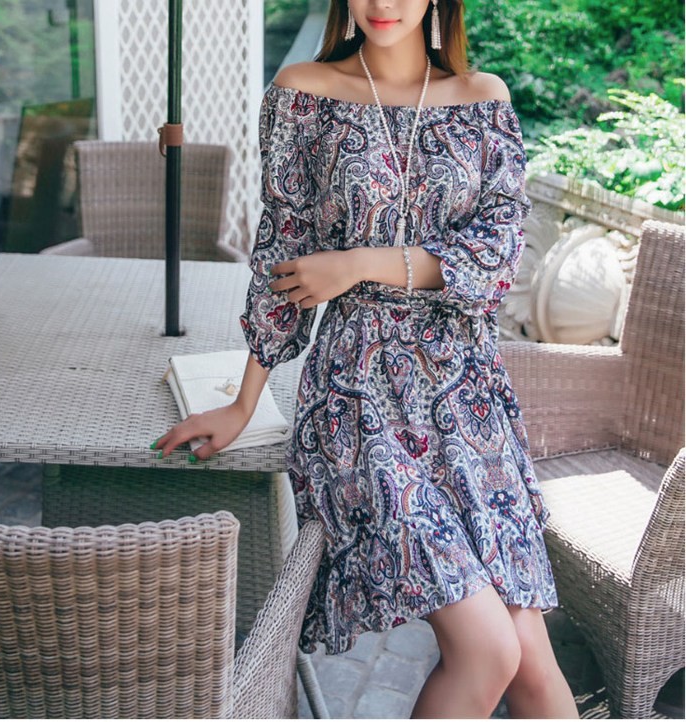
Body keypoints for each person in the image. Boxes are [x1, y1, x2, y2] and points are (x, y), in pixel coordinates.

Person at [155, 0, 579, 717]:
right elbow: (281, 254)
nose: (383, 3)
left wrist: (360, 263)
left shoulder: (484, 99)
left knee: (532, 663)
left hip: (469, 398)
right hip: (359, 398)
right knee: (488, 651)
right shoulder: (304, 93)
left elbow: (499, 257)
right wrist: (245, 402)